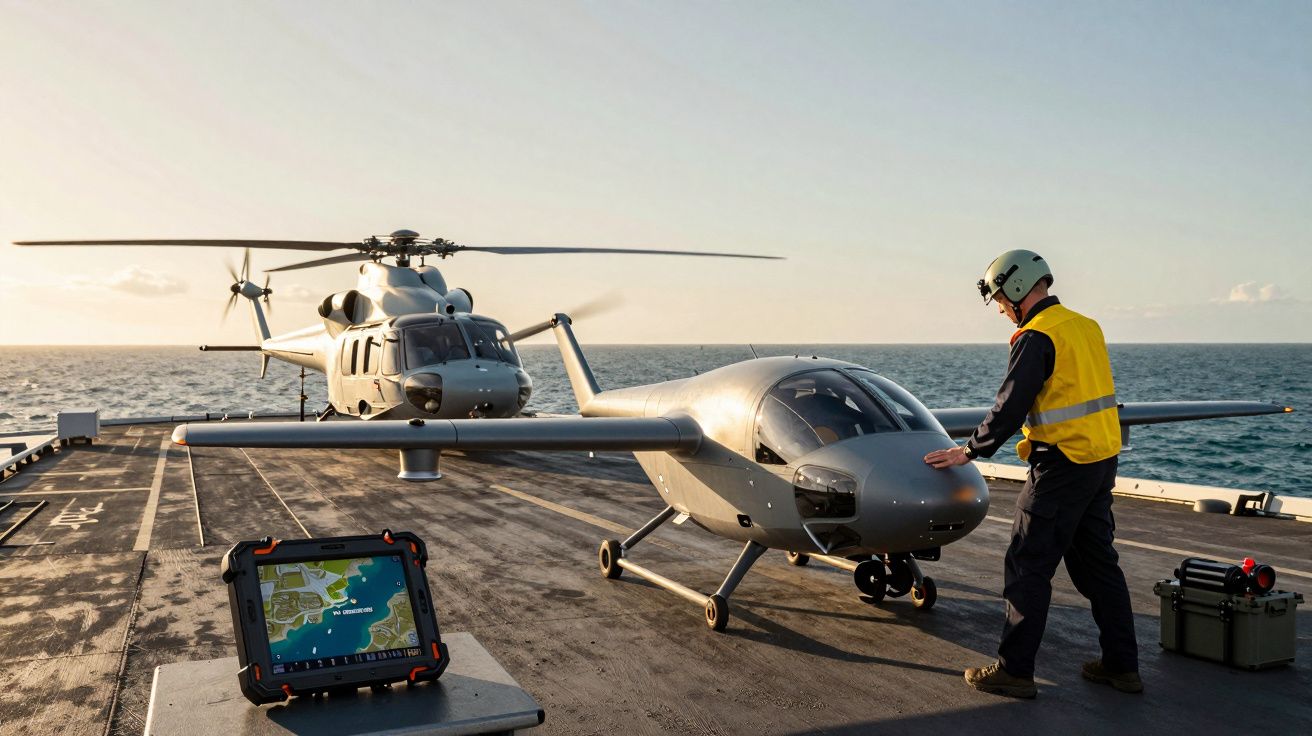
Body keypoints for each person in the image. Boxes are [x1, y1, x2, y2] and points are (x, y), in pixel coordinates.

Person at [923, 250, 1142, 699]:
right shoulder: (1085, 326)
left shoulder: (1036, 336)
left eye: (1001, 299)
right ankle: (1122, 667)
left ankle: (1015, 670)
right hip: (1101, 462)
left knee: (1027, 565)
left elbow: (1010, 406)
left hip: (1061, 465)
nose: (1002, 309)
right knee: (1100, 567)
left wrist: (969, 451)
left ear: (1018, 289)